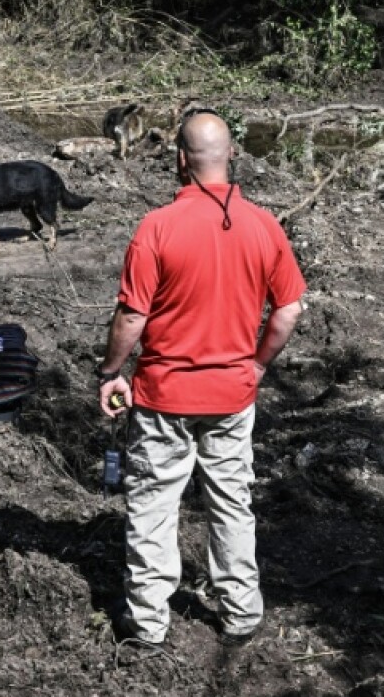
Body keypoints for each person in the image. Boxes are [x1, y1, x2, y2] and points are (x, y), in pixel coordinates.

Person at [96, 109, 305, 648]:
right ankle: (240, 611)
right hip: (233, 396)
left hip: (165, 395)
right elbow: (288, 310)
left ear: (180, 160)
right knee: (231, 500)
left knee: (154, 504)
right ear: (231, 154)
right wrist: (257, 365)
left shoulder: (157, 227)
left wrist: (111, 370)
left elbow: (132, 317)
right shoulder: (264, 225)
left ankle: (147, 622)